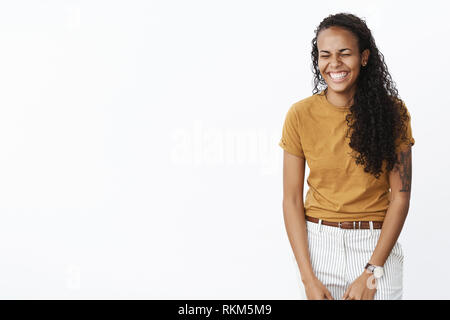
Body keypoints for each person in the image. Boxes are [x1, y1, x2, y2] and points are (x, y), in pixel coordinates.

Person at [279, 12, 415, 300]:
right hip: (317, 247)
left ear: (364, 57)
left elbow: (401, 197)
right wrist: (308, 278)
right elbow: (291, 199)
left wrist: (372, 271)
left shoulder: (393, 114)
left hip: (376, 245)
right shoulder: (300, 115)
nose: (334, 64)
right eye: (325, 55)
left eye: (345, 54)